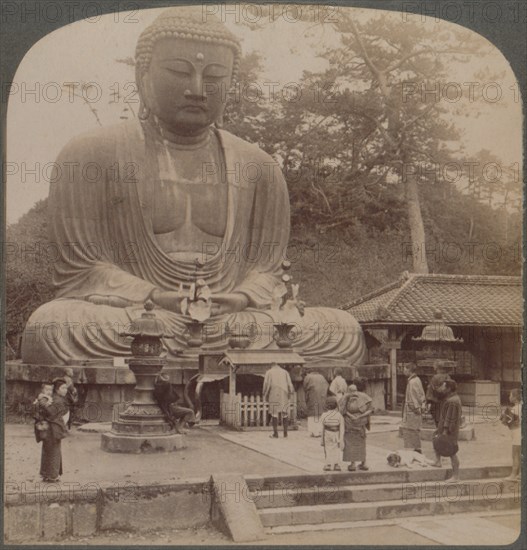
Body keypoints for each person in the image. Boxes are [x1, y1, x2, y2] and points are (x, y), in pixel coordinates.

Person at [21, 6, 366, 367]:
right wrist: (157, 295)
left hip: (232, 319)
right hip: (142, 314)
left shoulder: (259, 167)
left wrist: (242, 298)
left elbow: (270, 272)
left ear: (231, 82)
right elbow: (81, 272)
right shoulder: (90, 154)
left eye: (215, 75)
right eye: (178, 71)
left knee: (342, 330)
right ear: (142, 76)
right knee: (54, 325)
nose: (198, 89)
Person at [38, 379, 69, 482]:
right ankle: (52, 475)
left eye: (66, 388)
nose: (65, 390)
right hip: (53, 429)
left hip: (51, 428)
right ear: (57, 389)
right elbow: (51, 413)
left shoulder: (52, 398)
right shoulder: (56, 400)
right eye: (63, 388)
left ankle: (46, 474)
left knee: (48, 450)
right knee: (54, 451)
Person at [431, 379, 462, 480]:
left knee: (452, 452)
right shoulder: (452, 399)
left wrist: (445, 431)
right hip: (445, 428)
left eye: (444, 387)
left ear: (449, 389)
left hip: (449, 431)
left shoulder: (452, 401)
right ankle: (437, 461)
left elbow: (450, 418)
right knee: (435, 438)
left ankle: (455, 476)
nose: (442, 389)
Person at [340, 384, 373, 471]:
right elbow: (370, 410)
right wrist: (360, 416)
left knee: (350, 443)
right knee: (361, 442)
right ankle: (363, 463)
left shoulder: (345, 397)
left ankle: (353, 464)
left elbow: (342, 410)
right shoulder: (364, 396)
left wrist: (352, 416)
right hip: (360, 422)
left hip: (351, 423)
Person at [263, 363, 294, 438]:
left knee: (274, 413)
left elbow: (266, 384)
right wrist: (290, 392)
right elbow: (290, 384)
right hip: (284, 393)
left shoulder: (269, 372)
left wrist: (264, 393)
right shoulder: (285, 372)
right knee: (284, 412)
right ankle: (285, 433)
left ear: (271, 365)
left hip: (274, 393)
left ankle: (275, 434)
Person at [401, 363, 426, 453]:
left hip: (412, 409)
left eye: (405, 369)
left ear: (409, 370)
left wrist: (415, 409)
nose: (403, 371)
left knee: (410, 430)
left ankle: (414, 450)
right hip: (413, 408)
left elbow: (414, 397)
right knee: (413, 430)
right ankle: (415, 449)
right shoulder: (416, 379)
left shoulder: (412, 382)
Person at [320, 396, 345, 471]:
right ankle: (336, 465)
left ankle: (328, 464)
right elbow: (342, 427)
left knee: (328, 448)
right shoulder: (339, 415)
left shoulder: (324, 415)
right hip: (336, 433)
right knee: (336, 449)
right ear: (336, 406)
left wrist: (322, 439)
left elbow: (322, 428)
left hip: (327, 433)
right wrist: (341, 438)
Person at [303, 369, 329, 437]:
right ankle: (320, 431)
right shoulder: (322, 377)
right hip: (322, 397)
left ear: (308, 372)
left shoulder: (308, 377)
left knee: (312, 415)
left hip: (312, 397)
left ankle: (312, 431)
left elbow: (305, 387)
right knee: (320, 414)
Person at [503, 388, 521, 481]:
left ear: (515, 398)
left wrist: (504, 415)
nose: (509, 397)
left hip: (517, 434)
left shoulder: (514, 409)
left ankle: (513, 475)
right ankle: (521, 474)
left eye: (510, 395)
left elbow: (508, 423)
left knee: (515, 455)